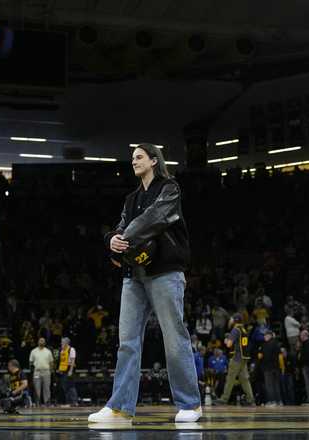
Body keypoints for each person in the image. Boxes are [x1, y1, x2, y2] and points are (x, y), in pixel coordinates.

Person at [88, 143, 201, 424]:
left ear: (153, 160)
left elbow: (156, 218)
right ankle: (120, 408)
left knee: (174, 338)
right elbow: (121, 225)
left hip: (165, 273)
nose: (134, 161)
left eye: (139, 157)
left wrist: (123, 237)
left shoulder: (170, 188)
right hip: (134, 275)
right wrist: (111, 240)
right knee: (127, 342)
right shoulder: (131, 198)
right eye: (132, 158)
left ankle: (190, 405)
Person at [214, 314, 255, 406]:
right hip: (244, 358)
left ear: (235, 320)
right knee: (245, 380)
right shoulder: (243, 329)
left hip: (236, 358)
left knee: (230, 379)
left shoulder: (235, 329)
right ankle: (250, 399)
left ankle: (224, 399)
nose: (230, 320)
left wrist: (226, 340)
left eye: (232, 319)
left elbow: (229, 344)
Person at [29, 337, 53, 406]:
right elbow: (31, 362)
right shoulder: (33, 351)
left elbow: (51, 362)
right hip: (37, 372)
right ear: (38, 342)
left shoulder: (48, 351)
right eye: (40, 341)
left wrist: (50, 371)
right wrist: (33, 371)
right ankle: (37, 403)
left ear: (45, 343)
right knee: (37, 388)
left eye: (43, 341)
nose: (42, 342)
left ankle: (47, 402)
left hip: (46, 372)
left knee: (47, 388)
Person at [259, 330, 281, 406]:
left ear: (270, 335)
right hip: (276, 367)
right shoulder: (276, 343)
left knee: (269, 385)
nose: (264, 337)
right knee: (276, 385)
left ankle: (272, 401)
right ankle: (279, 401)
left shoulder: (266, 344)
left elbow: (265, 356)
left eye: (265, 335)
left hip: (268, 368)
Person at [297, 330, 309, 406]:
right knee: (308, 383)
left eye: (301, 335)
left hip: (308, 367)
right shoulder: (305, 344)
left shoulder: (308, 344)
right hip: (306, 366)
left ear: (305, 335)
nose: (300, 337)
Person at [56, 337, 77, 406]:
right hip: (62, 371)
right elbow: (61, 361)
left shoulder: (71, 349)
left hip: (69, 370)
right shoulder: (61, 350)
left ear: (66, 343)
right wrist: (59, 370)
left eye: (62, 342)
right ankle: (68, 402)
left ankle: (74, 402)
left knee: (70, 386)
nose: (61, 343)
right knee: (65, 386)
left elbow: (72, 361)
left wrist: (70, 371)